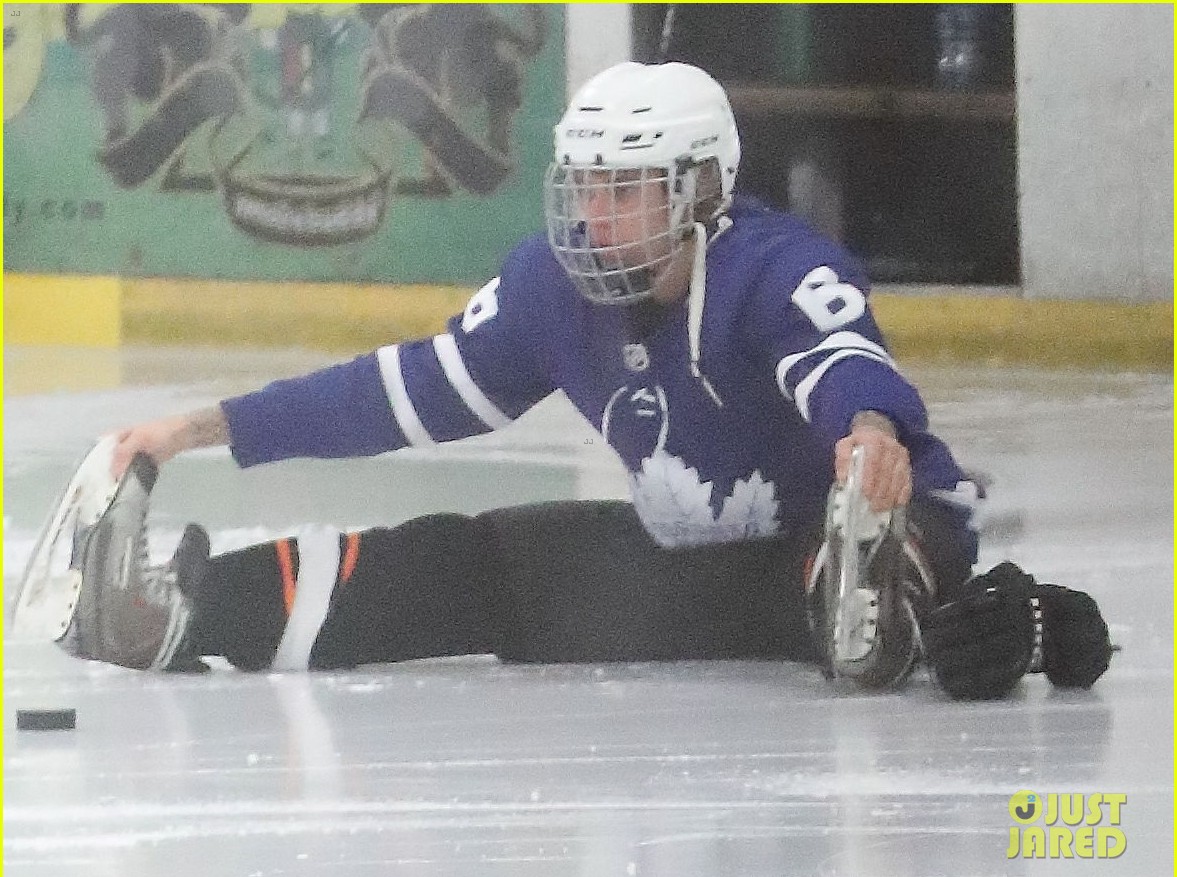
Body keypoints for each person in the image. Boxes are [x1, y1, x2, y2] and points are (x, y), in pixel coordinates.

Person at [65, 62, 1112, 698]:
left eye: (623, 190)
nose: (591, 216)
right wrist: (197, 428)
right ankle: (190, 617)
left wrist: (872, 435)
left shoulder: (773, 265)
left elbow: (842, 363)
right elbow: (400, 390)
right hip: (689, 566)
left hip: (838, 532)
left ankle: (926, 609)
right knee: (472, 563)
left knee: (865, 576)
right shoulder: (549, 290)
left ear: (699, 189)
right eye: (583, 186)